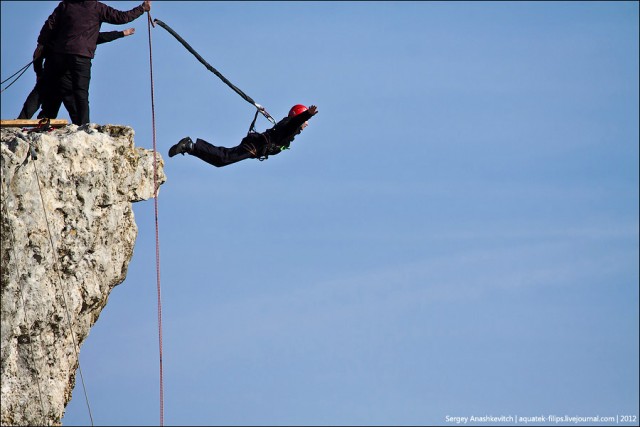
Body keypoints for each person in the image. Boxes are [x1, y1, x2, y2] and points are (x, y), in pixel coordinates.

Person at [35, 0, 151, 125]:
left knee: (48, 87)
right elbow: (121, 17)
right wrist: (142, 8)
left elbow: (49, 25)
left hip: (60, 54)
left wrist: (41, 45)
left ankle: (39, 119)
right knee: (80, 93)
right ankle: (84, 125)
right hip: (81, 56)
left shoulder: (66, 5)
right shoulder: (97, 7)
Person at [18, 29, 136, 120]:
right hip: (64, 77)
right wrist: (122, 33)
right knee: (70, 105)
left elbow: (37, 55)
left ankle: (24, 121)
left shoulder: (55, 34)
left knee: (42, 98)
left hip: (51, 73)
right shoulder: (78, 36)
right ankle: (79, 127)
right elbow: (99, 37)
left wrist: (39, 73)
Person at [168, 104, 318, 167]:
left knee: (221, 160)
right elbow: (295, 122)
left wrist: (304, 117)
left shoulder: (288, 127)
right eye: (305, 121)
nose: (307, 124)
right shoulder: (290, 125)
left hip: (256, 145)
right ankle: (190, 146)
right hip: (256, 145)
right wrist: (307, 115)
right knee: (224, 158)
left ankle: (190, 147)